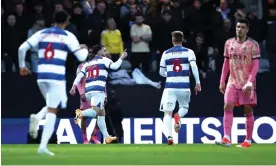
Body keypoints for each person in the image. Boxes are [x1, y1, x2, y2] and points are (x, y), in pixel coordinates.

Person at [18, 11, 88, 156]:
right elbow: (81, 57)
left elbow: (22, 48)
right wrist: (85, 49)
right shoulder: (68, 36)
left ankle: (37, 117)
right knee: (53, 110)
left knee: (60, 102)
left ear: (53, 20)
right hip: (56, 77)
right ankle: (42, 146)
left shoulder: (42, 33)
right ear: (67, 22)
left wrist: (22, 66)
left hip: (41, 75)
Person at [69, 44, 128, 144]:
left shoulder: (88, 63)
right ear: (99, 52)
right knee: (97, 112)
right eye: (104, 51)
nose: (106, 53)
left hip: (88, 91)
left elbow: (79, 75)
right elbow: (115, 66)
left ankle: (107, 137)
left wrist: (73, 87)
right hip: (98, 91)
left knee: (101, 115)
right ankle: (81, 113)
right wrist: (122, 57)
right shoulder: (104, 60)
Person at [215, 18, 260, 148]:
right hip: (232, 81)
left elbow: (256, 66)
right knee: (227, 106)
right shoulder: (229, 43)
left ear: (247, 29)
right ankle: (226, 138)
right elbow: (226, 63)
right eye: (238, 27)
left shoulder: (253, 45)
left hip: (246, 83)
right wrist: (222, 80)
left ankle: (248, 141)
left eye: (242, 27)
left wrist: (250, 82)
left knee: (247, 110)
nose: (239, 29)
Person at [159, 31, 201, 145]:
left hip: (170, 87)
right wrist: (198, 82)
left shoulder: (166, 53)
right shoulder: (189, 52)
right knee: (184, 107)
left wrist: (171, 74)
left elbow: (161, 72)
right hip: (184, 86)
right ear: (183, 40)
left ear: (172, 40)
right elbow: (193, 66)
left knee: (167, 113)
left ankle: (169, 137)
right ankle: (178, 116)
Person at [75, 62, 101, 144]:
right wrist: (81, 93)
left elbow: (103, 81)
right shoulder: (81, 66)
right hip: (86, 94)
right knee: (84, 117)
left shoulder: (100, 65)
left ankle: (94, 136)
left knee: (100, 116)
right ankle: (85, 138)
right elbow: (78, 80)